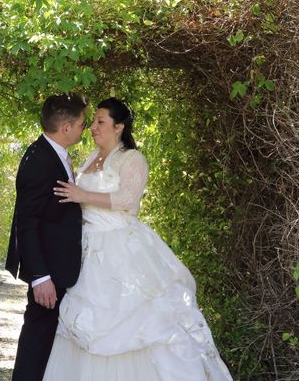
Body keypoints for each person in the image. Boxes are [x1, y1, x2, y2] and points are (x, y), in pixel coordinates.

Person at [44, 97, 233, 381]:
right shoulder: (89, 159)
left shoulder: (132, 158)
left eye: (100, 122)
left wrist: (82, 195)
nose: (92, 127)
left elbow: (128, 201)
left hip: (120, 247)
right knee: (83, 325)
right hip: (85, 249)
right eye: (93, 122)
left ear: (118, 127)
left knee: (135, 319)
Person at [5, 93, 88, 381]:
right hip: (49, 273)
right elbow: (26, 223)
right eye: (81, 123)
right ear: (66, 127)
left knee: (48, 346)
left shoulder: (54, 154)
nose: (84, 129)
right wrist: (40, 277)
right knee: (36, 344)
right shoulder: (38, 160)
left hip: (60, 268)